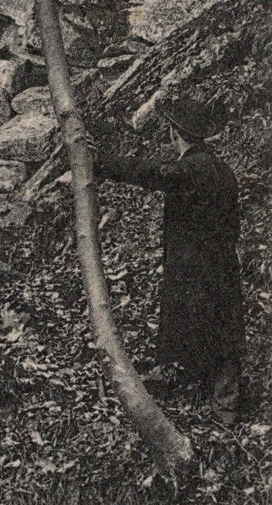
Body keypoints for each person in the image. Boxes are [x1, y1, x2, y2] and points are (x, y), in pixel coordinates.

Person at [95, 93, 243, 419]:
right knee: (224, 331)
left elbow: (149, 173)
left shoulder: (190, 170)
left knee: (203, 327)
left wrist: (103, 163)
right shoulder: (223, 171)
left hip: (196, 268)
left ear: (174, 134)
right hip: (223, 264)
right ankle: (220, 404)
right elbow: (233, 224)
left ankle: (220, 411)